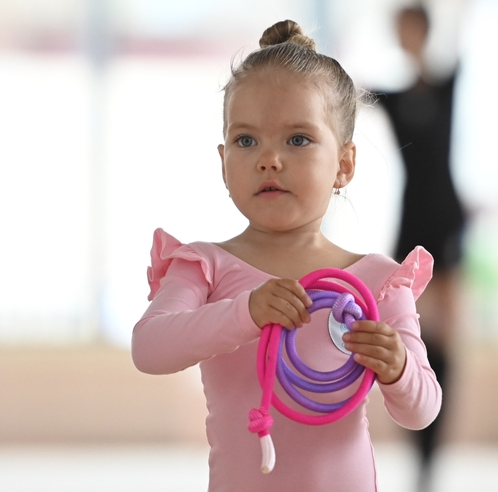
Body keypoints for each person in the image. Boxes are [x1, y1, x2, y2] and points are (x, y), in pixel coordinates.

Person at [131, 20, 442, 492]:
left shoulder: (377, 281)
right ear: (222, 162)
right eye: (246, 140)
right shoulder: (203, 266)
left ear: (344, 164)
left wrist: (397, 366)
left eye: (298, 139)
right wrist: (246, 311)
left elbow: (421, 411)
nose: (269, 159)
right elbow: (149, 348)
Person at [373, 5, 465, 491]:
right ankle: (416, 441)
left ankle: (433, 456)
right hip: (409, 224)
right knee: (406, 334)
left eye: (413, 28)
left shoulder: (450, 83)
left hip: (446, 219)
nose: (406, 37)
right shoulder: (392, 97)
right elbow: (346, 94)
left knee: (447, 338)